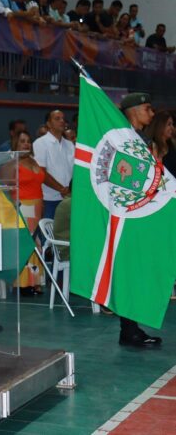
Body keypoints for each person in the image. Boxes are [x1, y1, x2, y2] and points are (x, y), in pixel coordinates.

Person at [117, 92, 162, 346]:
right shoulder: (122, 140)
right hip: (128, 216)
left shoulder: (138, 139)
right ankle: (128, 329)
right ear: (133, 110)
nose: (152, 113)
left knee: (137, 272)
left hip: (141, 213)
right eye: (148, 108)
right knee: (129, 272)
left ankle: (131, 327)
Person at [11, 131, 45, 295]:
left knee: (36, 245)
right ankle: (22, 284)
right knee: (25, 245)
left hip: (37, 208)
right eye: (22, 141)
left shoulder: (33, 160)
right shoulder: (11, 162)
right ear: (16, 144)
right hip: (22, 207)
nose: (26, 144)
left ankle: (35, 281)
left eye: (28, 141)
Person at [33, 110, 73, 219]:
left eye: (63, 119)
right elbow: (41, 172)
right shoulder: (40, 143)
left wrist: (69, 190)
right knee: (48, 233)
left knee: (66, 234)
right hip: (49, 199)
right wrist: (61, 189)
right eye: (57, 118)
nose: (62, 121)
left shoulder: (70, 145)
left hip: (69, 198)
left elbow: (75, 172)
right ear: (48, 124)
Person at [146, 111, 176, 176]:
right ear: (160, 126)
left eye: (172, 124)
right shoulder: (153, 146)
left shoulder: (172, 145)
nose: (172, 128)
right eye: (169, 124)